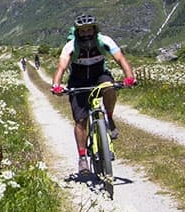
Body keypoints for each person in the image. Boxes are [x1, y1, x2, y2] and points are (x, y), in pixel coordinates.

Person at [51, 14, 136, 173]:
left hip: (99, 76)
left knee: (109, 87)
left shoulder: (105, 41)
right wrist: (56, 85)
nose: (86, 33)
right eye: (82, 31)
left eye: (89, 29)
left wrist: (129, 77)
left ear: (95, 29)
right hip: (78, 80)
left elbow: (121, 59)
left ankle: (109, 118)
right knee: (80, 120)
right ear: (77, 32)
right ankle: (83, 158)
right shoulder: (71, 46)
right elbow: (61, 67)